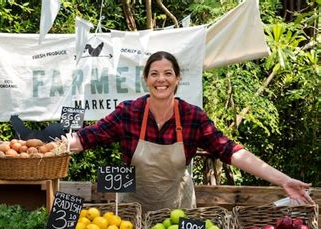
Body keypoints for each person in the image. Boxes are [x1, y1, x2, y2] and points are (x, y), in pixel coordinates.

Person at [66, 51, 314, 213]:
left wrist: (282, 180)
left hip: (177, 212)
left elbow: (231, 151)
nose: (160, 79)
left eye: (167, 74)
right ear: (145, 79)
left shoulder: (192, 117)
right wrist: (51, 148)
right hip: (132, 212)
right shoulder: (128, 113)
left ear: (177, 79)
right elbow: (86, 138)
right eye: (154, 74)